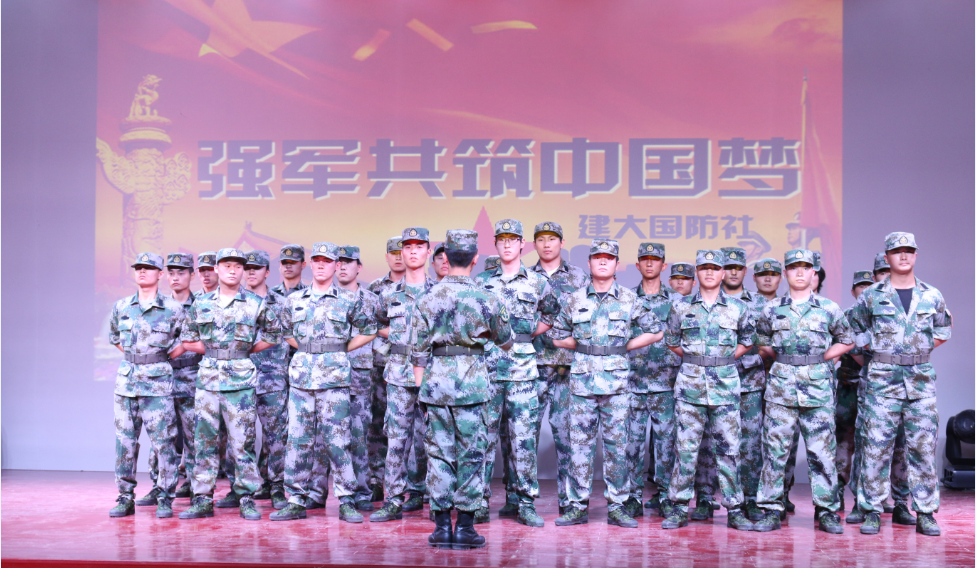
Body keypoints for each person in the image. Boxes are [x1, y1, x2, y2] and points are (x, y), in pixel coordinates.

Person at [549, 239, 664, 529]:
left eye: (609, 257)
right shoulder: (575, 299)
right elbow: (557, 336)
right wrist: (586, 347)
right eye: (597, 257)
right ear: (589, 263)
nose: (603, 261)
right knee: (580, 447)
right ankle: (577, 506)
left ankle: (618, 506)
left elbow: (656, 331)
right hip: (583, 384)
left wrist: (623, 347)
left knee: (617, 447)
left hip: (616, 386)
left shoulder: (628, 298)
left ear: (617, 264)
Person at [410, 229, 514, 549]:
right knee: (472, 454)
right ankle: (466, 528)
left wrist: (421, 390)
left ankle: (442, 527)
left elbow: (417, 351)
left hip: (436, 384)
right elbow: (506, 341)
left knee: (439, 454)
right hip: (472, 384)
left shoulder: (427, 299)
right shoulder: (487, 298)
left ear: (445, 257)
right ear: (475, 258)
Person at [847, 232, 950, 537]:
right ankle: (871, 511)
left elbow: (943, 329)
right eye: (896, 251)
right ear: (887, 257)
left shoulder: (932, 295)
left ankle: (926, 513)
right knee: (876, 447)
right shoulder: (871, 295)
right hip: (882, 382)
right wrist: (882, 351)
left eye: (908, 251)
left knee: (922, 448)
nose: (903, 256)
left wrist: (916, 351)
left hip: (920, 383)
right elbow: (856, 328)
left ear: (915, 255)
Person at [268, 242, 376, 523]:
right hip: (302, 379)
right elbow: (285, 331)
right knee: (298, 440)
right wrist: (307, 349)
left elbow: (369, 329)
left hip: (334, 379)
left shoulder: (348, 299)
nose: (320, 265)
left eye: (326, 261)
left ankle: (347, 499)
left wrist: (340, 349)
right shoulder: (294, 300)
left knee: (338, 440)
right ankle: (295, 499)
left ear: (335, 266)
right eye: (316, 260)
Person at [752, 249, 854, 534]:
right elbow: (762, 341)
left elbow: (847, 340)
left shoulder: (829, 308)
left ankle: (827, 510)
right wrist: (785, 359)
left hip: (817, 389)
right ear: (785, 273)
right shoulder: (772, 309)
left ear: (813, 273)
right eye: (793, 267)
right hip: (781, 389)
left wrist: (820, 359)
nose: (799, 272)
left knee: (822, 452)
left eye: (805, 267)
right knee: (775, 451)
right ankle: (771, 508)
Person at [178, 248, 281, 521]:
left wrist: (244, 351)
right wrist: (216, 351)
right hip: (208, 381)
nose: (233, 270)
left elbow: (273, 334)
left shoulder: (256, 303)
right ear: (217, 269)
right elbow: (187, 339)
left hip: (240, 381)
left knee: (242, 442)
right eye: (227, 265)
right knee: (204, 441)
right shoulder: (201, 303)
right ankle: (202, 498)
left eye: (238, 266)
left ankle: (246, 497)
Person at [661, 249, 755, 531]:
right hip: (690, 388)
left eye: (715, 268)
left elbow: (748, 340)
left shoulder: (738, 308)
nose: (710, 273)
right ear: (697, 273)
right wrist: (696, 360)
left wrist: (722, 360)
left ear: (723, 273)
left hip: (725, 387)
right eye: (704, 268)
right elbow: (671, 341)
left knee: (729, 450)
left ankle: (734, 508)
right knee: (685, 449)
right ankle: (679, 507)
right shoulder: (681, 307)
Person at [475, 219, 560, 527]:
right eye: (502, 239)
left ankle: (525, 503)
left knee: (523, 439)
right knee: (484, 437)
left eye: (513, 239)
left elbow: (551, 313)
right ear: (496, 244)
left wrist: (525, 336)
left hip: (523, 370)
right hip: (488, 368)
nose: (508, 244)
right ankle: (479, 502)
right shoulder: (481, 282)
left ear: (523, 244)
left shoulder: (537, 282)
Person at [108, 252, 186, 519]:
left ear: (160, 274)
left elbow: (184, 340)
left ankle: (165, 496)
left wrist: (156, 359)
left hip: (158, 385)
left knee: (164, 442)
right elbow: (114, 337)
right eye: (138, 268)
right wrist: (136, 357)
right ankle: (125, 496)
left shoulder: (173, 309)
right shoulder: (122, 306)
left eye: (148, 268)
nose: (142, 271)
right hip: (126, 384)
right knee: (125, 442)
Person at [370, 229, 437, 522]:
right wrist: (401, 339)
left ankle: (435, 499)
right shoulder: (388, 294)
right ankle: (394, 500)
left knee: (433, 439)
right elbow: (376, 323)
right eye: (407, 247)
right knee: (396, 440)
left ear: (428, 251)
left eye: (418, 246)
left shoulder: (438, 293)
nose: (412, 252)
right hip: (398, 373)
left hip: (432, 374)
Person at [530, 221, 589, 516]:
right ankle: (521, 500)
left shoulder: (579, 277)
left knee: (567, 437)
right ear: (534, 244)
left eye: (552, 239)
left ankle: (569, 501)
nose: (547, 244)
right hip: (533, 367)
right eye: (541, 239)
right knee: (524, 436)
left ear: (562, 243)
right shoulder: (527, 277)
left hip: (568, 368)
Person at [624, 243, 681, 519]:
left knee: (666, 444)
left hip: (666, 383)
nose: (649, 264)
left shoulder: (677, 302)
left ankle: (666, 496)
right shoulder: (625, 299)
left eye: (655, 259)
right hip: (632, 381)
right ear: (637, 265)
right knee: (631, 444)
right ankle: (632, 497)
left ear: (663, 265)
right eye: (644, 259)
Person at [140, 253, 201, 505]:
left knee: (194, 436)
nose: (176, 277)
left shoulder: (201, 306)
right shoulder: (159, 307)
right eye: (172, 273)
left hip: (192, 376)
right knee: (162, 436)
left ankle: (197, 489)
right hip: (161, 379)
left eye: (182, 273)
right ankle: (160, 486)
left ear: (191, 275)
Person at [237, 251, 291, 511]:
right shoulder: (234, 302)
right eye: (247, 267)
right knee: (241, 437)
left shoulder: (282, 303)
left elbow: (293, 338)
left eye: (256, 268)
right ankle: (244, 489)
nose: (251, 272)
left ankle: (277, 486)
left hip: (273, 377)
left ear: (267, 272)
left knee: (276, 435)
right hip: (241, 377)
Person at [719, 247, 769, 523]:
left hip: (749, 381)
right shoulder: (709, 299)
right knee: (712, 444)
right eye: (729, 267)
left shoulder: (760, 303)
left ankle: (750, 499)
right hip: (714, 383)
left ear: (745, 271)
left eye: (738, 267)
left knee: (750, 443)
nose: (734, 272)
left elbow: (769, 338)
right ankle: (705, 498)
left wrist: (757, 358)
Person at [333, 246, 384, 512]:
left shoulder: (372, 300)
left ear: (359, 267)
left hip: (362, 376)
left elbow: (383, 334)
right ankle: (318, 493)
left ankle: (362, 491)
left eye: (348, 262)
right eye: (338, 262)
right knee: (327, 438)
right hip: (329, 374)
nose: (342, 266)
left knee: (359, 435)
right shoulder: (323, 297)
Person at [365, 237, 406, 502]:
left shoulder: (424, 287)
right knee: (378, 425)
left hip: (410, 368)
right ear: (386, 256)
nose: (399, 257)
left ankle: (416, 484)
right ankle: (377, 480)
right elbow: (370, 326)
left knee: (413, 428)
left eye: (403, 252)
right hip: (380, 367)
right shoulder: (375, 288)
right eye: (394, 253)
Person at [833, 270, 874, 512]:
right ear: (852, 291)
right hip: (849, 388)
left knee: (871, 442)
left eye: (869, 285)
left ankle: (867, 496)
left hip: (876, 390)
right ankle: (838, 490)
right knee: (843, 440)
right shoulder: (845, 316)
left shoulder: (881, 314)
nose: (865, 290)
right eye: (860, 286)